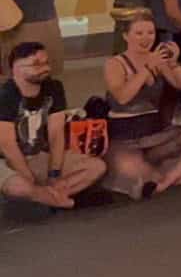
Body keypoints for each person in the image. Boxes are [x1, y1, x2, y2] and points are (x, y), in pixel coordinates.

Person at [102, 13, 181, 198]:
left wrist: (173, 63)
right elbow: (123, 97)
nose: (146, 38)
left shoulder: (157, 60)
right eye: (139, 33)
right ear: (126, 36)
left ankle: (168, 179)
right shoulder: (114, 64)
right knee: (131, 171)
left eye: (150, 33)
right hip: (125, 139)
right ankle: (173, 176)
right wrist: (146, 69)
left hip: (156, 135)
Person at [0, 40, 105, 210]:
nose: (45, 68)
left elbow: (56, 133)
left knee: (97, 167)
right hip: (7, 160)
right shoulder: (5, 94)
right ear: (16, 68)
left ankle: (46, 196)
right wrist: (28, 177)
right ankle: (57, 199)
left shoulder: (53, 88)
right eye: (36, 64)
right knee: (20, 186)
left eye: (46, 62)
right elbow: (7, 145)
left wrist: (54, 173)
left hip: (39, 155)